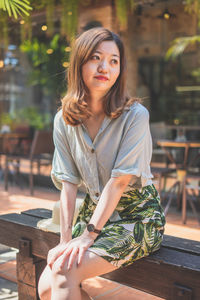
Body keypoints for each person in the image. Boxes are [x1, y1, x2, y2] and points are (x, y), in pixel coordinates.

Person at [38, 27, 165, 300]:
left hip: (137, 217)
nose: (104, 66)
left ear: (120, 69)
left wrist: (87, 236)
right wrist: (64, 241)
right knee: (45, 286)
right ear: (79, 62)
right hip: (93, 215)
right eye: (96, 57)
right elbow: (68, 183)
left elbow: (119, 182)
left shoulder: (135, 116)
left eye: (113, 60)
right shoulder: (64, 120)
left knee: (64, 274)